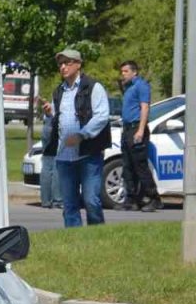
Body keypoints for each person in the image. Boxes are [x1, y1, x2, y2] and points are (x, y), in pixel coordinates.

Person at [42, 47, 111, 227]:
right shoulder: (59, 92)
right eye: (60, 64)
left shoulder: (93, 87)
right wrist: (50, 113)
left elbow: (102, 116)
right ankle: (76, 240)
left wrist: (82, 135)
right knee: (70, 205)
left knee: (91, 201)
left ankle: (98, 236)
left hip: (88, 154)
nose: (63, 67)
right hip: (64, 157)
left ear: (78, 64)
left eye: (67, 63)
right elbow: (57, 118)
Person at [118, 60, 161, 211]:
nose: (122, 74)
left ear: (134, 72)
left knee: (140, 166)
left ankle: (154, 198)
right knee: (127, 166)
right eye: (122, 71)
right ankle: (132, 200)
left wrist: (141, 130)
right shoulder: (128, 87)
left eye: (125, 71)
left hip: (137, 128)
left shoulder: (141, 85)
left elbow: (144, 108)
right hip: (127, 129)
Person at [37, 102, 62, 209]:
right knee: (57, 166)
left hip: (48, 122)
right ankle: (58, 200)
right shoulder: (67, 93)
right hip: (57, 124)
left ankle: (46, 200)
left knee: (47, 163)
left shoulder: (56, 93)